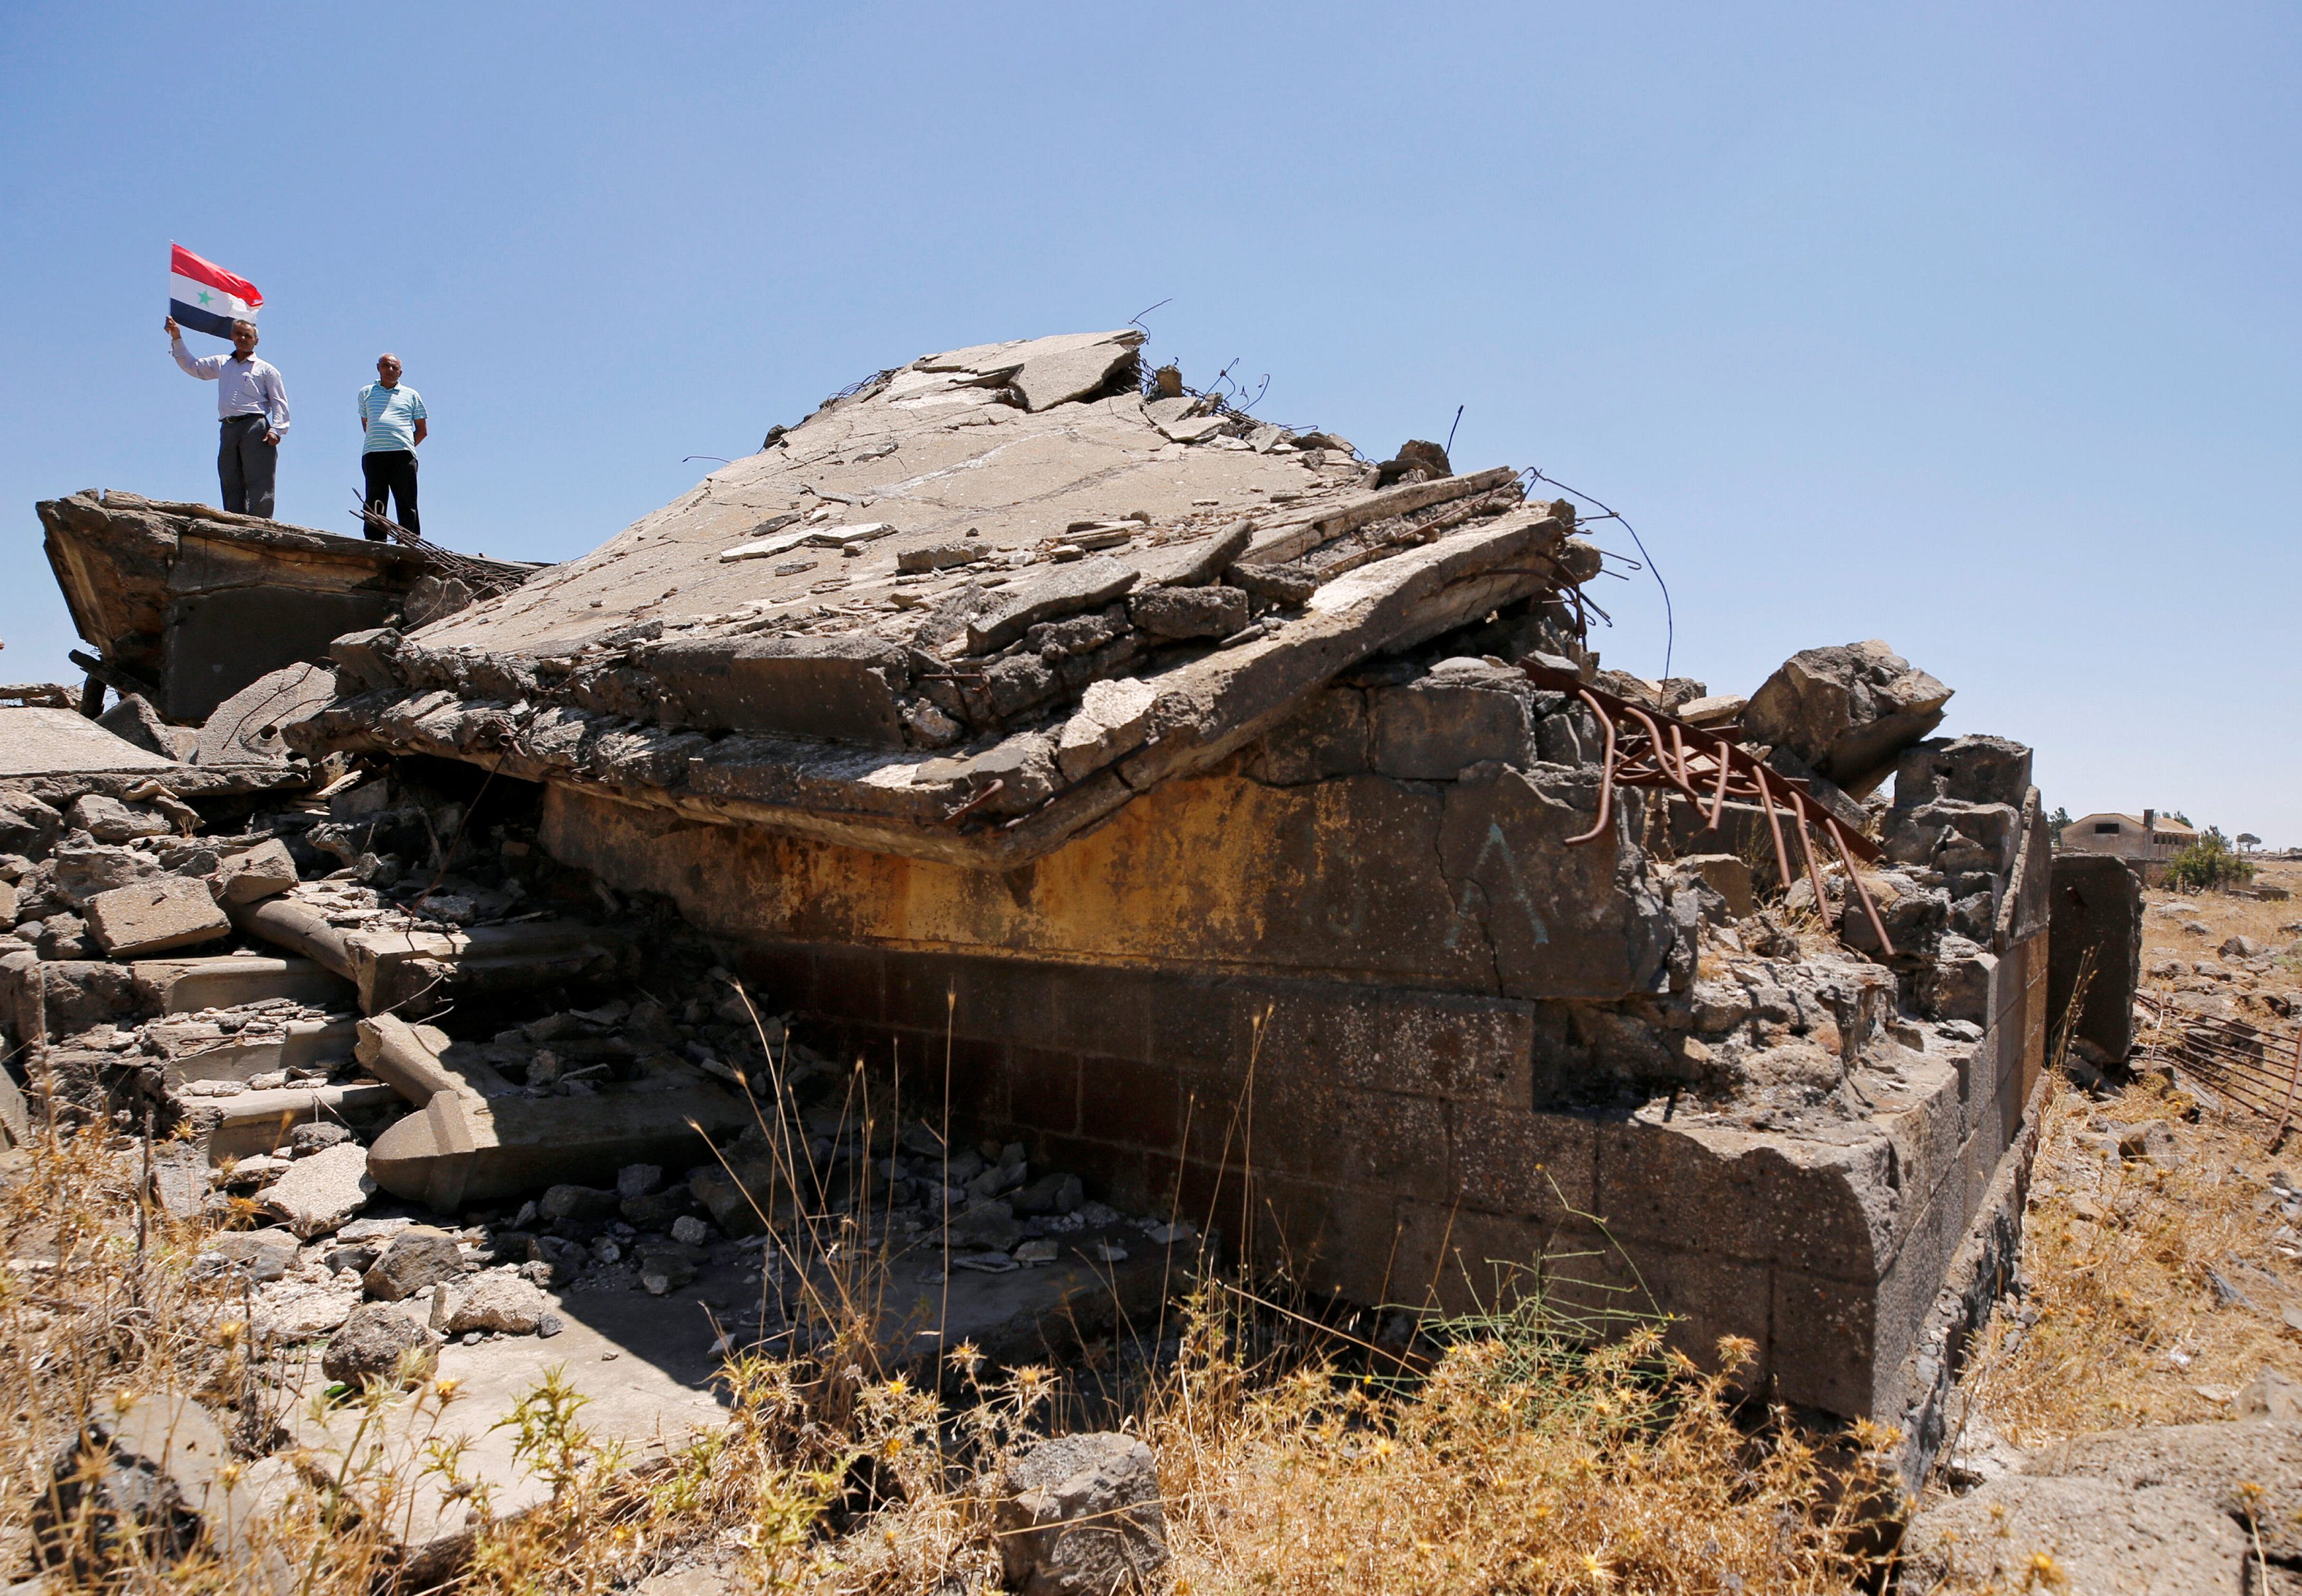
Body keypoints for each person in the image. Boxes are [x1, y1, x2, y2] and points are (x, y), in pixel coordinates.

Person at [166, 315, 291, 518]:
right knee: (230, 476)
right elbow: (193, 366)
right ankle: (234, 520)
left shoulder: (266, 370)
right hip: (228, 427)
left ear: (256, 341)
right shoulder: (222, 363)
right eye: (239, 334)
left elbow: (280, 402)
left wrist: (277, 430)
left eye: (248, 336)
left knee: (259, 477)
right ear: (232, 336)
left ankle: (259, 524)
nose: (243, 339)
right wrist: (177, 337)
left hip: (255, 425)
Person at [356, 353, 428, 538]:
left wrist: (405, 444)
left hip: (403, 454)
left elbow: (422, 429)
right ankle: (375, 540)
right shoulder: (366, 393)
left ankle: (408, 540)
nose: (390, 370)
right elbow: (367, 423)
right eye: (386, 366)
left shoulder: (411, 395)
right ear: (378, 367)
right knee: (375, 499)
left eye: (394, 368)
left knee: (406, 500)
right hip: (374, 453)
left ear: (400, 372)